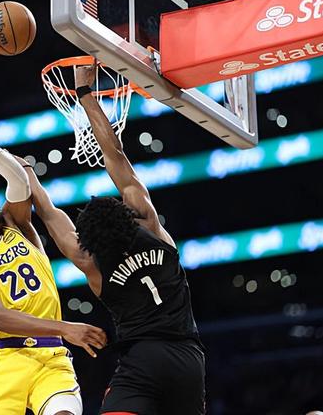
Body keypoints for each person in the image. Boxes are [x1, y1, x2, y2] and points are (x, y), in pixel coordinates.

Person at [18, 64, 206, 415]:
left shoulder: (91, 263)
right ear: (125, 212)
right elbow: (114, 154)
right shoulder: (149, 224)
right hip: (187, 358)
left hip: (141, 361)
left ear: (87, 238)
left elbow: (48, 213)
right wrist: (86, 94)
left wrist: (25, 173)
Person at [0, 140, 107, 415]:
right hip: (5, 359)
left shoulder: (15, 225)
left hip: (51, 355)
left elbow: (20, 183)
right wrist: (65, 328)